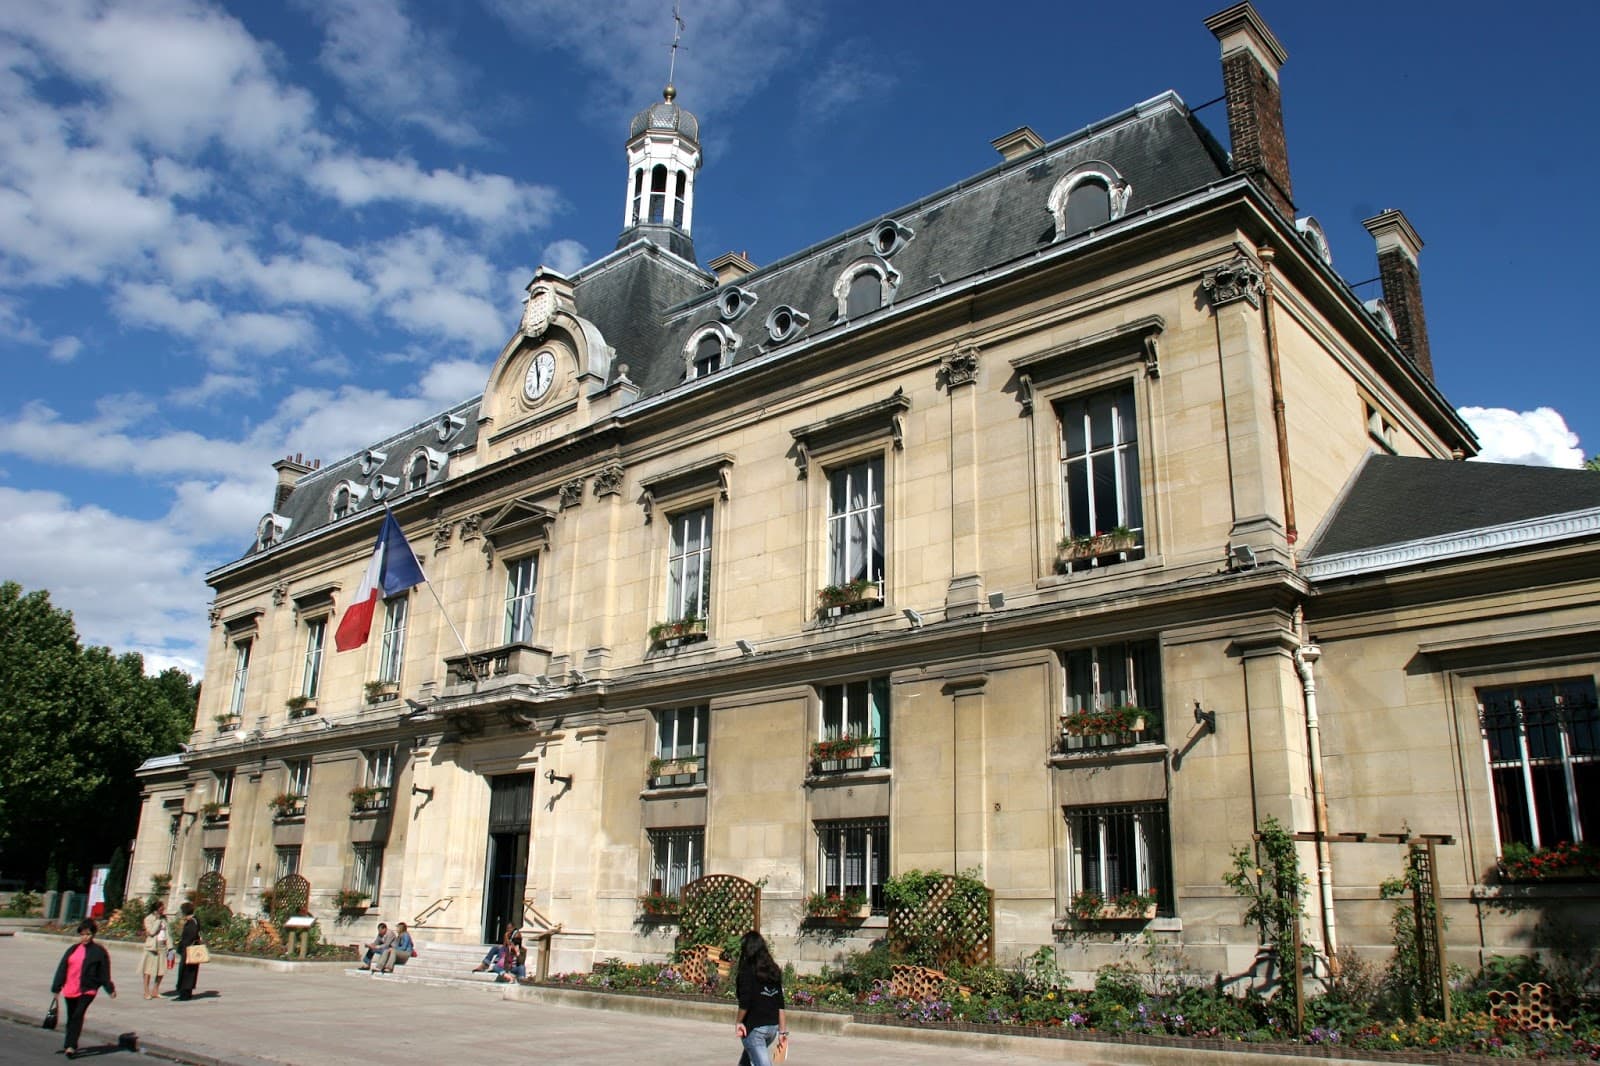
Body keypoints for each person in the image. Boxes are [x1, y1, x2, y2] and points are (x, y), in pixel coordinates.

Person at [50, 919, 117, 1058]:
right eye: (82, 934)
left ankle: (71, 1046)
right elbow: (63, 968)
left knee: (77, 1015)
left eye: (88, 934)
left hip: (88, 989)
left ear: (93, 935)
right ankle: (69, 1042)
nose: (85, 937)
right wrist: (57, 987)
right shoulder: (73, 949)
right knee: (71, 1016)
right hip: (70, 988)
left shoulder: (99, 952)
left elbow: (104, 972)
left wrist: (109, 988)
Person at [733, 931, 788, 1066]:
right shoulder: (772, 970)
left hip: (754, 1029)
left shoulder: (747, 971)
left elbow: (745, 1001)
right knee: (749, 1058)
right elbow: (780, 1003)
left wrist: (739, 1022)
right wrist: (782, 1031)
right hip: (772, 1028)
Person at [141, 899, 170, 999]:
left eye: (163, 908)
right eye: (161, 908)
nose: (163, 910)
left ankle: (155, 990)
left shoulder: (164, 919)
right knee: (148, 970)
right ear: (156, 909)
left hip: (162, 946)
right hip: (152, 947)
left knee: (161, 970)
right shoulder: (149, 919)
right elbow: (151, 932)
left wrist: (170, 947)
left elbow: (168, 933)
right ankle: (146, 992)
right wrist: (157, 920)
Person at [174, 901, 202, 1001]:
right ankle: (187, 992)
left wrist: (183, 946)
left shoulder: (192, 921)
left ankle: (184, 993)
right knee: (190, 971)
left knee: (186, 971)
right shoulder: (194, 920)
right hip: (192, 948)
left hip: (189, 949)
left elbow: (191, 935)